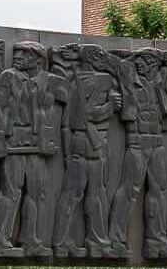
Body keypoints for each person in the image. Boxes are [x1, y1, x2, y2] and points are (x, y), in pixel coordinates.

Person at [106, 48, 167, 259]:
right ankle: (115, 241)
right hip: (136, 144)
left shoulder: (162, 84)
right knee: (129, 190)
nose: (139, 64)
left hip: (157, 144)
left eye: (144, 60)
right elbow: (114, 60)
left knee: (159, 192)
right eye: (138, 60)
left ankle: (156, 244)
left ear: (155, 64)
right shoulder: (129, 81)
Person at [0, 42, 66, 258]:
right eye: (17, 52)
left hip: (38, 144)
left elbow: (72, 94)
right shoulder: (8, 77)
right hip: (13, 142)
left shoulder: (49, 81)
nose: (18, 56)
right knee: (10, 191)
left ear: (39, 59)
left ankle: (30, 240)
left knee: (37, 193)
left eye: (24, 54)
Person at [51, 44, 121, 259]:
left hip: (96, 141)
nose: (103, 58)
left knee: (97, 193)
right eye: (99, 55)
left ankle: (97, 242)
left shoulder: (101, 79)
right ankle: (62, 242)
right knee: (74, 193)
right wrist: (111, 106)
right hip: (83, 141)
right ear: (90, 58)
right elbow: (86, 114)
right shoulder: (80, 81)